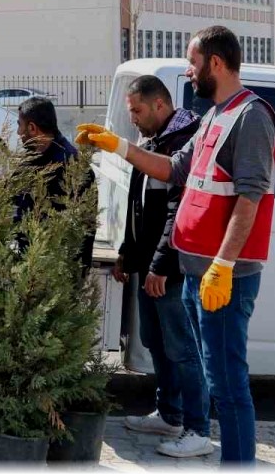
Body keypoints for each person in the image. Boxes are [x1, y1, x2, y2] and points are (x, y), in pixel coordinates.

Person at [77, 26, 275, 465]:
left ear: (217, 64)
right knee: (211, 374)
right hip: (193, 272)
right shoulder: (213, 117)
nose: (189, 72)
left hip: (222, 277)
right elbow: (173, 169)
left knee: (227, 384)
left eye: (194, 63)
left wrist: (223, 264)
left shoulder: (251, 116)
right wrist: (119, 146)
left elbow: (251, 195)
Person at [113, 76, 212, 458]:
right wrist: (127, 251)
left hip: (170, 270)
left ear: (159, 105)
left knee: (184, 349)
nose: (133, 119)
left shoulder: (184, 143)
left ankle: (197, 429)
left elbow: (178, 213)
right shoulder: (150, 142)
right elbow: (137, 203)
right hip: (148, 266)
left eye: (137, 111)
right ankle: (169, 413)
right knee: (156, 343)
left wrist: (159, 266)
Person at [13, 96, 95, 270]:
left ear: (32, 128)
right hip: (30, 262)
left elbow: (82, 228)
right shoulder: (30, 158)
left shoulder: (71, 164)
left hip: (58, 270)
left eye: (19, 125)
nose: (18, 133)